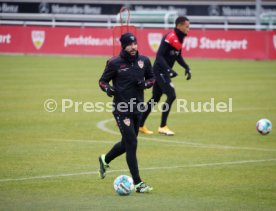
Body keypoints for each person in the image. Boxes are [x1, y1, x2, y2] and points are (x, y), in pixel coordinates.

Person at [98, 32, 155, 193]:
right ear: (123, 46)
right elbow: (102, 81)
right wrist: (108, 89)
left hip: (137, 109)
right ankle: (138, 183)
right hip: (121, 110)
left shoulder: (144, 60)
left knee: (126, 143)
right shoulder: (114, 63)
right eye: (129, 44)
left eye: (135, 43)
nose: (133, 47)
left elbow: (152, 78)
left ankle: (105, 159)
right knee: (132, 143)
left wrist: (145, 84)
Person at [139, 16, 191, 136]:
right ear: (179, 26)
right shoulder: (170, 37)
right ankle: (163, 126)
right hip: (160, 70)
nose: (188, 29)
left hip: (164, 71)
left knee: (155, 99)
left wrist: (187, 67)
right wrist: (169, 69)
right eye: (187, 26)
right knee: (171, 95)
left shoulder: (179, 38)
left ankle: (140, 125)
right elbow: (159, 56)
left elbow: (177, 56)